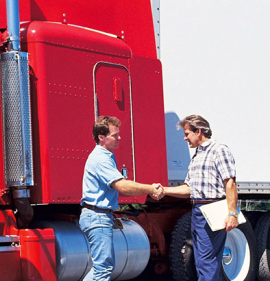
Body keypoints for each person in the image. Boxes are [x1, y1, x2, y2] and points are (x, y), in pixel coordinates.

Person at [79, 116, 164, 281]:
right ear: (101, 137)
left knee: (102, 268)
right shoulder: (101, 159)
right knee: (102, 270)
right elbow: (122, 186)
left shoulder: (107, 155)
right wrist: (150, 188)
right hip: (97, 217)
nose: (119, 138)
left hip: (99, 216)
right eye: (114, 135)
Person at [164, 114, 238, 281]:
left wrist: (232, 214)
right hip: (197, 211)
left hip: (212, 209)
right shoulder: (197, 156)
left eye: (187, 133)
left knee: (207, 262)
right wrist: (165, 191)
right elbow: (189, 189)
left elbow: (230, 183)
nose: (185, 138)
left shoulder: (219, 150)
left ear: (198, 132)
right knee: (201, 262)